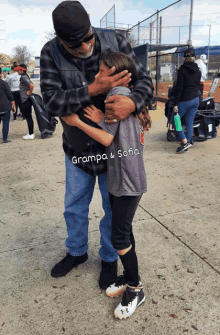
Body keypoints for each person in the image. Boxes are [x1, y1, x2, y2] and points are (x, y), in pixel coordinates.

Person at [40, 1, 154, 289]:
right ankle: (76, 252)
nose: (85, 46)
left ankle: (108, 259)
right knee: (74, 207)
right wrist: (93, 89)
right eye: (75, 44)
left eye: (88, 38)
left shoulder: (115, 40)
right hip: (77, 150)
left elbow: (144, 82)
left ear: (92, 27)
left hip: (113, 154)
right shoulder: (50, 52)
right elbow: (51, 101)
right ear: (61, 40)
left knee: (111, 209)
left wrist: (133, 102)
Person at [63, 51, 151, 319]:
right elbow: (118, 133)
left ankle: (136, 288)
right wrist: (102, 117)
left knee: (119, 237)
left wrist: (77, 122)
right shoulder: (124, 98)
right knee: (123, 231)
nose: (97, 75)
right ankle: (129, 275)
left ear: (116, 74)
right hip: (122, 179)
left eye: (102, 71)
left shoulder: (117, 99)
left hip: (126, 182)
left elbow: (106, 140)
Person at [172, 47, 201, 153]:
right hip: (195, 99)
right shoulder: (198, 70)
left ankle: (184, 142)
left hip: (185, 100)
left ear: (184, 58)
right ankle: (187, 143)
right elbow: (198, 85)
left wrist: (175, 103)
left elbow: (179, 88)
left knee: (175, 121)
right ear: (194, 58)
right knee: (189, 122)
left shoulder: (182, 70)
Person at [13, 64, 35, 139]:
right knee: (28, 116)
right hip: (25, 99)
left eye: (19, 70)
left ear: (22, 70)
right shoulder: (24, 76)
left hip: (26, 100)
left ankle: (31, 134)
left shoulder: (24, 77)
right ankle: (31, 133)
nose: (18, 71)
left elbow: (31, 85)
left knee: (28, 116)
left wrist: (29, 92)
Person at [0, 67, 16, 143]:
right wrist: (14, 106)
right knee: (6, 123)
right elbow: (10, 96)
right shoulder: (4, 83)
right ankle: (5, 139)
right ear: (1, 74)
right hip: (5, 106)